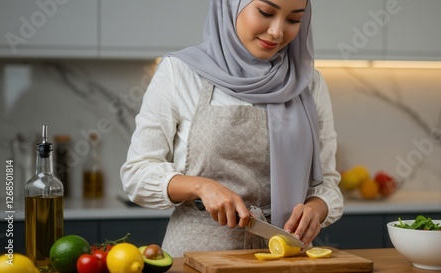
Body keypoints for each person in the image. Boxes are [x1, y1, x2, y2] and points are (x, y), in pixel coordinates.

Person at [121, 0, 343, 257]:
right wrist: (201, 187)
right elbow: (137, 175)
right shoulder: (180, 72)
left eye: (293, 20)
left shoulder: (308, 84)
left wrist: (316, 209)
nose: (277, 31)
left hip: (285, 255)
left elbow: (327, 184)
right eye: (265, 12)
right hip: (197, 257)